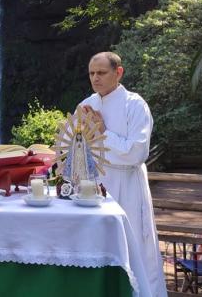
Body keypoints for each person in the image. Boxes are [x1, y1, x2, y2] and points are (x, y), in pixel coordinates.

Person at [79, 51, 167, 297]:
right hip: (92, 187)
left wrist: (102, 132)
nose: (95, 78)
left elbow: (136, 154)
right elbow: (78, 149)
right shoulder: (86, 105)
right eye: (91, 73)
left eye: (101, 73)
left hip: (127, 188)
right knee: (95, 246)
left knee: (134, 247)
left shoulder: (135, 105)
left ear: (118, 72)